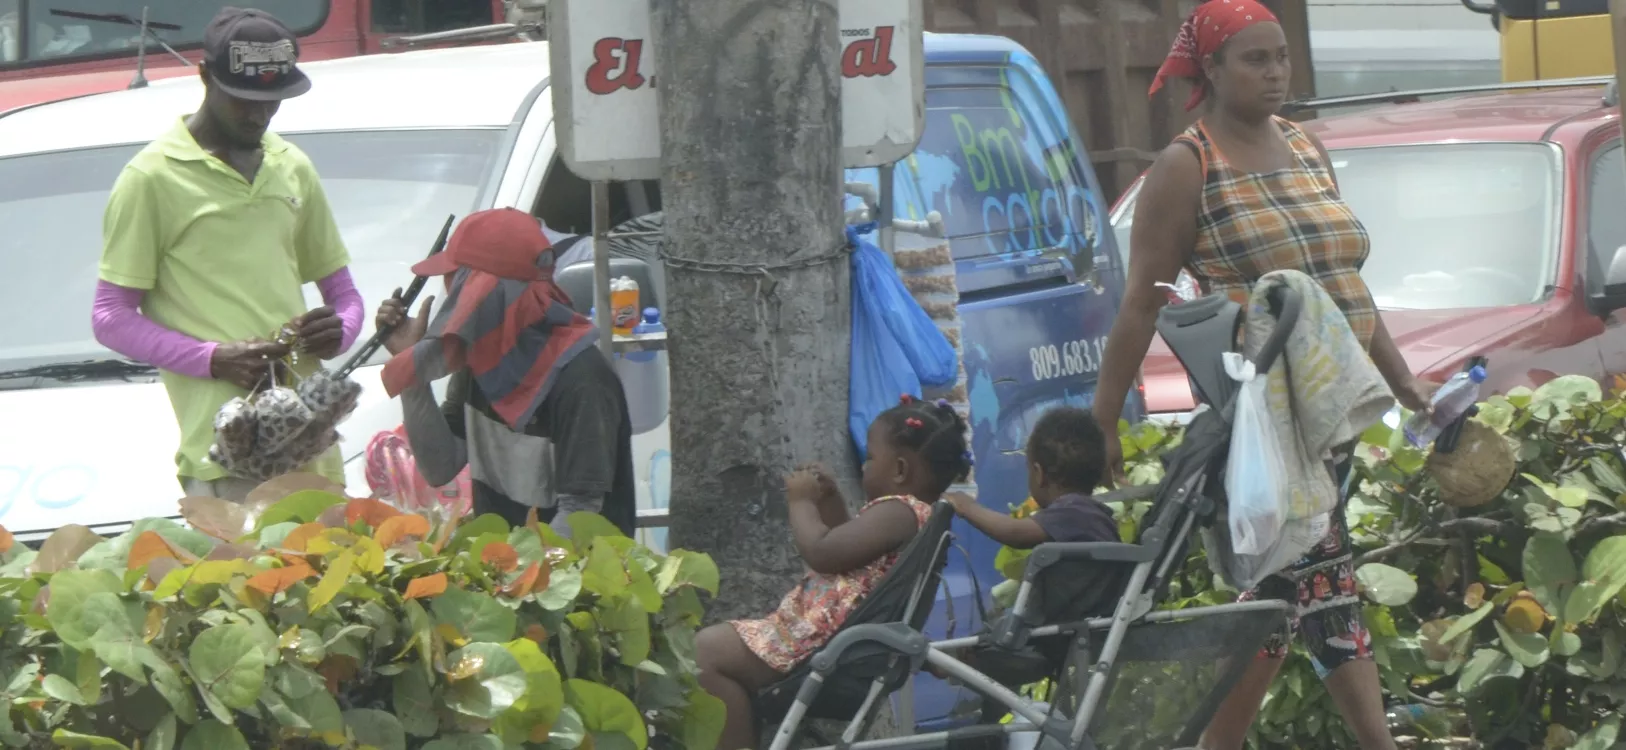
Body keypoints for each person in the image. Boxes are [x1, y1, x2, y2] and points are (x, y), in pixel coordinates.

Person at [1087, 2, 1437, 748]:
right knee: (1310, 583)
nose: (1276, 72)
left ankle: (1224, 744)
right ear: (1209, 69)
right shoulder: (1188, 164)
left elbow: (1346, 284)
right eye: (1255, 59)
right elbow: (1140, 301)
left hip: (1327, 417)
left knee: (1290, 592)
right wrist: (1104, 415)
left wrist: (1406, 385)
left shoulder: (1306, 148)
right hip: (1263, 419)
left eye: (1281, 56)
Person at [92, 7, 362, 501]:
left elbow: (343, 294)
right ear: (204, 77)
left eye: (273, 101)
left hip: (311, 444)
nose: (260, 114)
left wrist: (339, 329)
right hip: (226, 457)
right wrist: (211, 359)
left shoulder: (291, 165)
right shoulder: (151, 177)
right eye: (245, 101)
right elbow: (110, 317)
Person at [694, 396, 969, 750]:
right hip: (827, 641)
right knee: (714, 653)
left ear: (900, 470)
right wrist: (830, 498)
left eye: (869, 457)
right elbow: (849, 550)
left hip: (818, 646)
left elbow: (824, 552)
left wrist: (801, 502)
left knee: (707, 653)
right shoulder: (911, 514)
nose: (864, 466)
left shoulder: (899, 512)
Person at [375, 208, 637, 539]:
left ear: (478, 291)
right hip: (508, 567)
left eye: (454, 280)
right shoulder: (481, 359)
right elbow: (440, 468)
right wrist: (410, 367)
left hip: (579, 577)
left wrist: (509, 580)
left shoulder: (582, 380)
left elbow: (580, 515)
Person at [949, 406, 1117, 549]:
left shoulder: (1071, 512)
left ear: (1039, 474)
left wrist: (967, 506)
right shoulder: (1096, 514)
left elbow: (1014, 532)